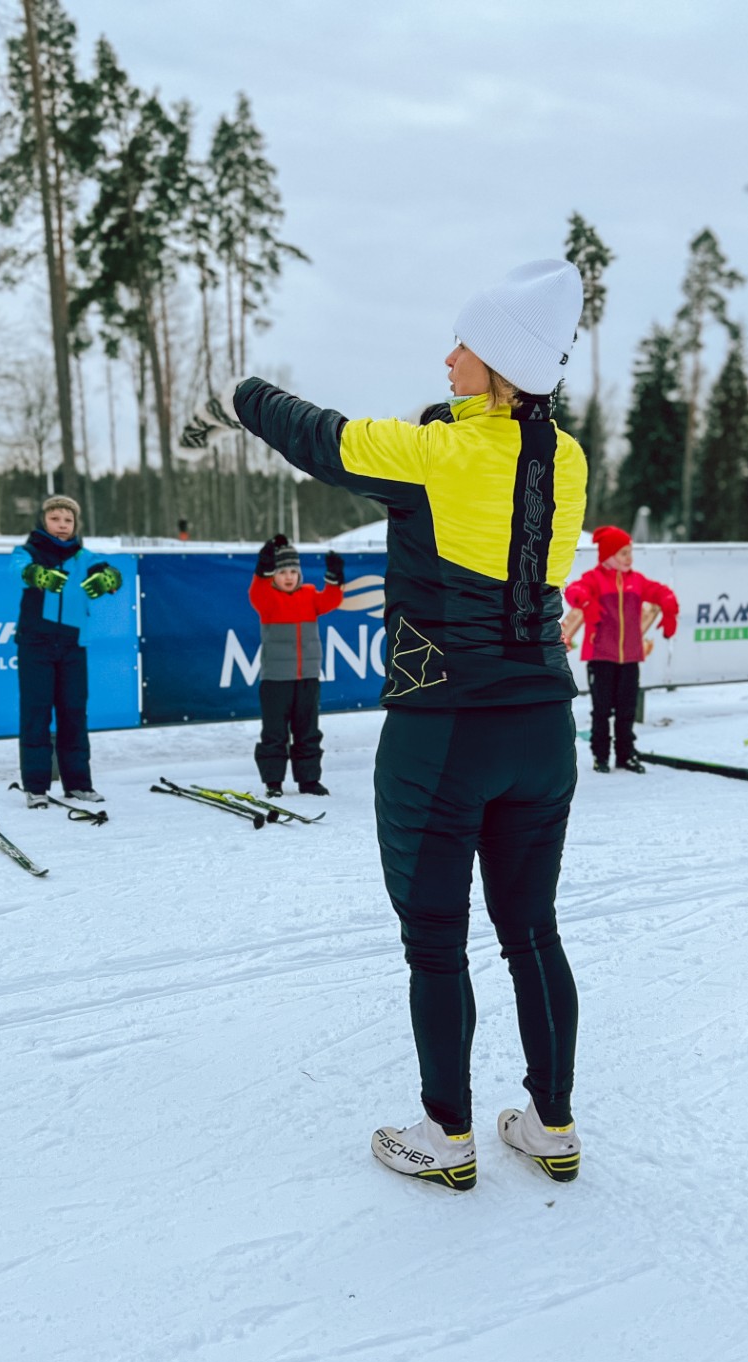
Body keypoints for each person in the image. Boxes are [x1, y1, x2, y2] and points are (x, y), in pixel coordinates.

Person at [180, 258, 588, 1190]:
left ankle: (447, 1137)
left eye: (466, 348)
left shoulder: (436, 459)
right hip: (541, 726)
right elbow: (491, 448)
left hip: (443, 730)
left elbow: (319, 438)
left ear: (501, 365)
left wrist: (241, 394)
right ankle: (552, 1125)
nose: (446, 359)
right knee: (533, 930)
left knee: (436, 939)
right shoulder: (564, 456)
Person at [10, 494, 123, 807]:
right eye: (55, 519)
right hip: (36, 644)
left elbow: (112, 574)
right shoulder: (28, 551)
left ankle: (78, 784)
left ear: (75, 525)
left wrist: (108, 579)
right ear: (43, 521)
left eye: (68, 520)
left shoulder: (83, 557)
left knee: (73, 713)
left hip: (73, 645)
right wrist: (39, 575)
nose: (62, 526)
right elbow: (19, 570)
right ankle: (35, 787)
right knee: (36, 713)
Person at [562, 525, 678, 774]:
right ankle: (600, 756)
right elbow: (574, 591)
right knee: (602, 711)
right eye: (624, 553)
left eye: (630, 552)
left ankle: (626, 755)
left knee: (626, 710)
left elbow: (661, 592)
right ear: (608, 555)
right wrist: (585, 601)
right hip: (601, 657)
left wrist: (669, 606)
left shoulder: (636, 581)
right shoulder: (594, 579)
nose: (629, 558)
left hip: (630, 658)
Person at [247, 533, 343, 798]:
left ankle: (309, 779)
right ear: (273, 576)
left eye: (293, 571)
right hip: (276, 680)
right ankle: (273, 782)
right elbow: (257, 589)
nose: (288, 576)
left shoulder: (310, 596)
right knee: (275, 733)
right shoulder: (267, 599)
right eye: (282, 572)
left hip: (307, 678)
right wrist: (264, 565)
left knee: (307, 731)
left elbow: (331, 600)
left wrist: (334, 577)